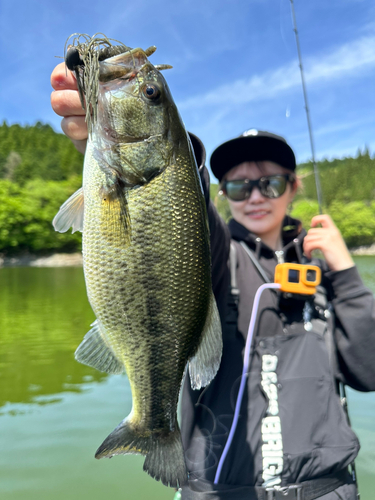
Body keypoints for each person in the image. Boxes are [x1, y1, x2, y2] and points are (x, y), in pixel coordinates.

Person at [51, 62, 375, 500]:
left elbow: (368, 371)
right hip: (219, 491)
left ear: (293, 187)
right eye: (240, 188)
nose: (256, 196)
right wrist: (165, 149)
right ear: (221, 194)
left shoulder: (324, 271)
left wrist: (347, 275)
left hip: (330, 490)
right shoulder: (215, 252)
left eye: (271, 184)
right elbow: (182, 217)